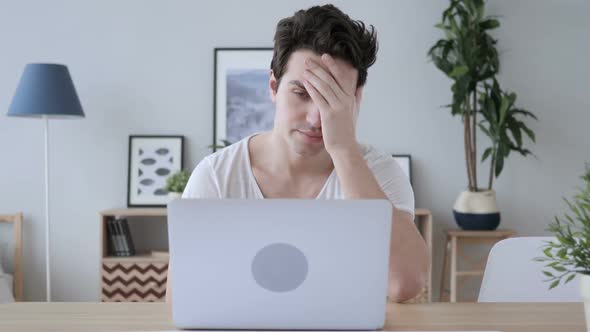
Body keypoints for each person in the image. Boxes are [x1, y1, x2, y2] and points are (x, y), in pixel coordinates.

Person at [166, 4, 427, 303]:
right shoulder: (217, 176)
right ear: (274, 87)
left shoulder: (380, 173)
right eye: (302, 94)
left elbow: (404, 285)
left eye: (333, 97)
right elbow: (179, 299)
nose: (317, 117)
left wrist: (343, 149)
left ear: (356, 98)